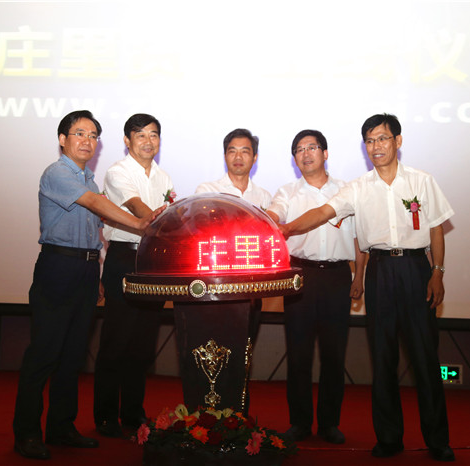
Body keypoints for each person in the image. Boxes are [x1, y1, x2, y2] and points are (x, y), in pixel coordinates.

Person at [279, 114, 455, 462]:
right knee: (383, 357)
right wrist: (286, 229)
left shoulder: (422, 180)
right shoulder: (357, 188)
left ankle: (438, 440)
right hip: (380, 271)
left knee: (425, 357)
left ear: (397, 141)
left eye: (383, 138)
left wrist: (437, 272)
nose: (376, 146)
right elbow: (322, 212)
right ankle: (389, 438)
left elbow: (436, 228)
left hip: (416, 269)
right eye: (370, 141)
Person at [13, 110, 162, 460]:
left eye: (93, 135)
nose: (87, 141)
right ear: (62, 140)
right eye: (80, 133)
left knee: (73, 356)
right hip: (58, 266)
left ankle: (61, 427)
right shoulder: (58, 173)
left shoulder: (90, 179)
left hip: (85, 269)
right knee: (44, 354)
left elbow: (95, 230)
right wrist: (141, 224)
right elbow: (96, 204)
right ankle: (27, 433)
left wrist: (95, 274)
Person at [266, 129, 365, 445]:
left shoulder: (347, 190)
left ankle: (329, 424)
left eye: (312, 147)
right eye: (299, 149)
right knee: (299, 354)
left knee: (334, 355)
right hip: (300, 277)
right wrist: (267, 219)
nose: (306, 153)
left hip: (337, 277)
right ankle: (299, 423)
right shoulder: (287, 192)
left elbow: (359, 238)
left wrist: (359, 276)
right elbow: (274, 216)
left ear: (325, 153)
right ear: (294, 159)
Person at [93, 113, 174, 438]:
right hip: (125, 259)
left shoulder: (164, 177)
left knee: (142, 343)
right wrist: (164, 220)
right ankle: (105, 416)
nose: (148, 141)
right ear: (127, 140)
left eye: (153, 135)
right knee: (117, 340)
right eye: (140, 135)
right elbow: (140, 209)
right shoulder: (118, 172)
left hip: (153, 262)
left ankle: (133, 413)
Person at [195, 128, 272, 210]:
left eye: (244, 151)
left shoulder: (264, 197)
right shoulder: (207, 192)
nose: (238, 157)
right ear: (225, 156)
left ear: (255, 158)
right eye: (232, 151)